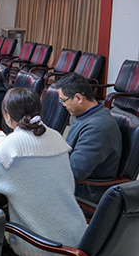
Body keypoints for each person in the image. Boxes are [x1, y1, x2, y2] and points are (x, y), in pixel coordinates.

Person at [0, 88, 87, 256]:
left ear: (7, 115)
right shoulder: (56, 137)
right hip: (77, 241)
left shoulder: (11, 146)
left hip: (40, 249)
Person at [52, 72, 122, 204]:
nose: (63, 105)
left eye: (63, 100)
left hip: (86, 192)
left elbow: (74, 171)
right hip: (73, 180)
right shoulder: (87, 116)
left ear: (79, 98)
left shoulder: (97, 129)